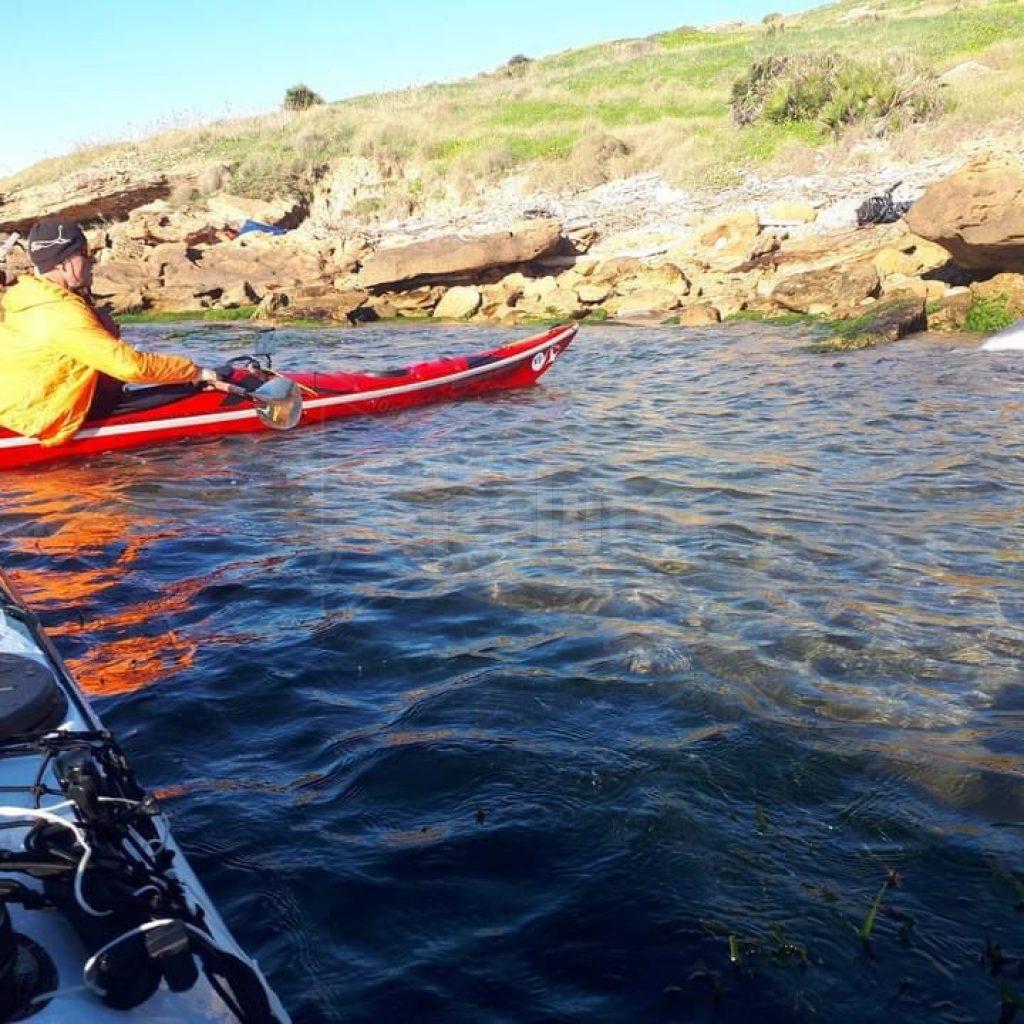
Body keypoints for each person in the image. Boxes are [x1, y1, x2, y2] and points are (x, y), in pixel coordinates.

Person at [0, 219, 225, 447]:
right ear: (63, 263)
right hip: (39, 417)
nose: (92, 260)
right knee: (191, 386)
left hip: (16, 405)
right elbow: (130, 367)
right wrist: (196, 371)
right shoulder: (61, 312)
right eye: (85, 253)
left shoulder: (27, 298)